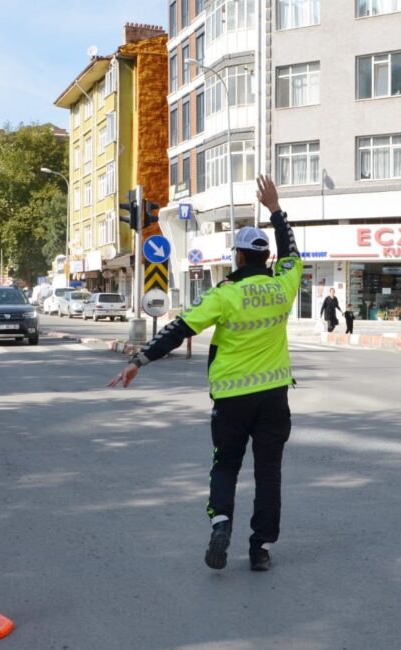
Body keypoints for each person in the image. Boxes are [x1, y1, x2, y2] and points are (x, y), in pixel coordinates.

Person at [108, 175, 302, 573]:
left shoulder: (223, 294)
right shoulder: (284, 287)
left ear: (237, 257)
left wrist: (138, 361)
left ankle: (221, 522)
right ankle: (260, 548)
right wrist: (276, 210)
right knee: (269, 474)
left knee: (225, 465)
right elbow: (293, 252)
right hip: (274, 398)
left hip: (231, 399)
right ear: (266, 258)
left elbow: (179, 330)